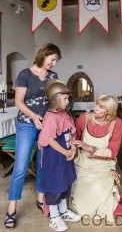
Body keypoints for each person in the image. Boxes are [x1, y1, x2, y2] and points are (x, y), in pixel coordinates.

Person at [4, 43, 61, 229]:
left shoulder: (53, 76)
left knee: (44, 163)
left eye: (55, 61)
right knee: (21, 166)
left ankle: (40, 198)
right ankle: (11, 209)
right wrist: (34, 116)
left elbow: (54, 101)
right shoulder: (24, 74)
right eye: (52, 60)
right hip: (27, 124)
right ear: (43, 55)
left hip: (46, 126)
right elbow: (18, 102)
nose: (54, 64)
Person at [71, 93, 122, 222]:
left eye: (101, 107)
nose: (96, 108)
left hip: (104, 164)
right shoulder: (83, 118)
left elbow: (113, 152)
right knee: (83, 209)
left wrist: (89, 147)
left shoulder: (117, 123)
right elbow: (74, 139)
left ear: (109, 111)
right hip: (83, 162)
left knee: (99, 189)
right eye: (96, 105)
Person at [38, 80, 80, 232]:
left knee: (66, 183)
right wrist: (65, 151)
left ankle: (63, 211)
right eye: (65, 98)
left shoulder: (64, 114)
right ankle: (54, 217)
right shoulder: (50, 116)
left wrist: (73, 148)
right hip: (54, 157)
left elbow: (71, 133)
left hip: (66, 156)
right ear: (55, 98)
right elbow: (49, 139)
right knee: (55, 185)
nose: (67, 101)